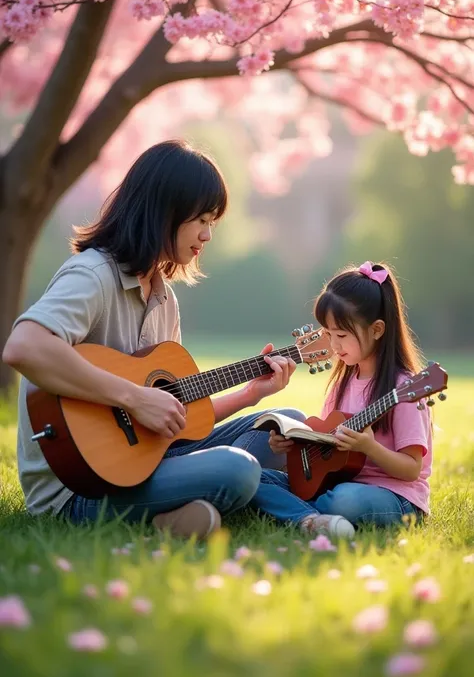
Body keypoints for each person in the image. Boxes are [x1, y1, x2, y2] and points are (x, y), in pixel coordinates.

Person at [2, 139, 305, 540]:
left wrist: (250, 395)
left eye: (213, 222)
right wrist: (134, 397)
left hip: (148, 458)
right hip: (78, 487)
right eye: (202, 219)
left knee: (287, 427)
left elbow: (176, 420)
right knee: (239, 469)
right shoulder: (92, 274)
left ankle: (168, 517)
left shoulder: (165, 299)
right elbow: (23, 346)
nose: (208, 235)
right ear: (165, 211)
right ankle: (184, 505)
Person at [250, 261, 432, 540]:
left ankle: (299, 513)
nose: (333, 346)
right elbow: (327, 446)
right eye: (328, 334)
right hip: (338, 483)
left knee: (345, 500)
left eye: (342, 336)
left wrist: (369, 447)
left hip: (395, 497)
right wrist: (289, 446)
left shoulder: (405, 388)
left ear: (377, 329)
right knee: (252, 477)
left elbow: (411, 470)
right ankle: (311, 519)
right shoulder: (342, 383)